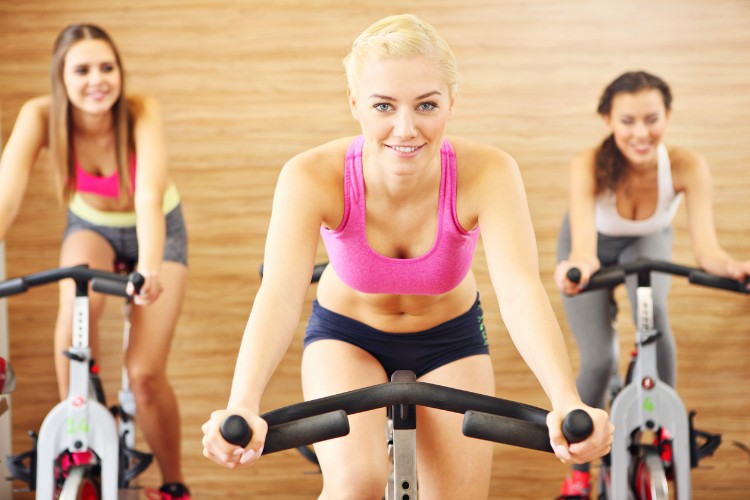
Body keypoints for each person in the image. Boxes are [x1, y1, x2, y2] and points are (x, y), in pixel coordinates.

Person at [202, 14, 612, 499]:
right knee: (356, 484)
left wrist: (565, 399)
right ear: (354, 102)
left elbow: (520, 288)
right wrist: (242, 403)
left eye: (426, 105)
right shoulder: (311, 175)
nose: (406, 128)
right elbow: (279, 295)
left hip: (450, 340)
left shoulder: (490, 172)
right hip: (346, 336)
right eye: (383, 105)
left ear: (451, 103)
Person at [0, 24, 190, 499]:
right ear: (61, 76)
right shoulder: (40, 116)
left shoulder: (139, 110)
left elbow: (147, 197)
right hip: (92, 228)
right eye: (82, 69)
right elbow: (6, 197)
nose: (96, 80)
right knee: (74, 314)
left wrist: (148, 266)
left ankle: (174, 484)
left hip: (157, 229)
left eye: (107, 67)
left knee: (145, 374)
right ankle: (78, 438)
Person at [554, 70, 750, 499]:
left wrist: (734, 268)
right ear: (607, 119)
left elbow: (707, 253)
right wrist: (577, 267)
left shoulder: (686, 165)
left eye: (651, 119)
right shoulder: (587, 165)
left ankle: (665, 425)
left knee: (655, 317)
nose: (641, 133)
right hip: (589, 247)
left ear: (668, 116)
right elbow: (585, 247)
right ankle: (581, 469)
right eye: (627, 121)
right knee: (598, 360)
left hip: (646, 243)